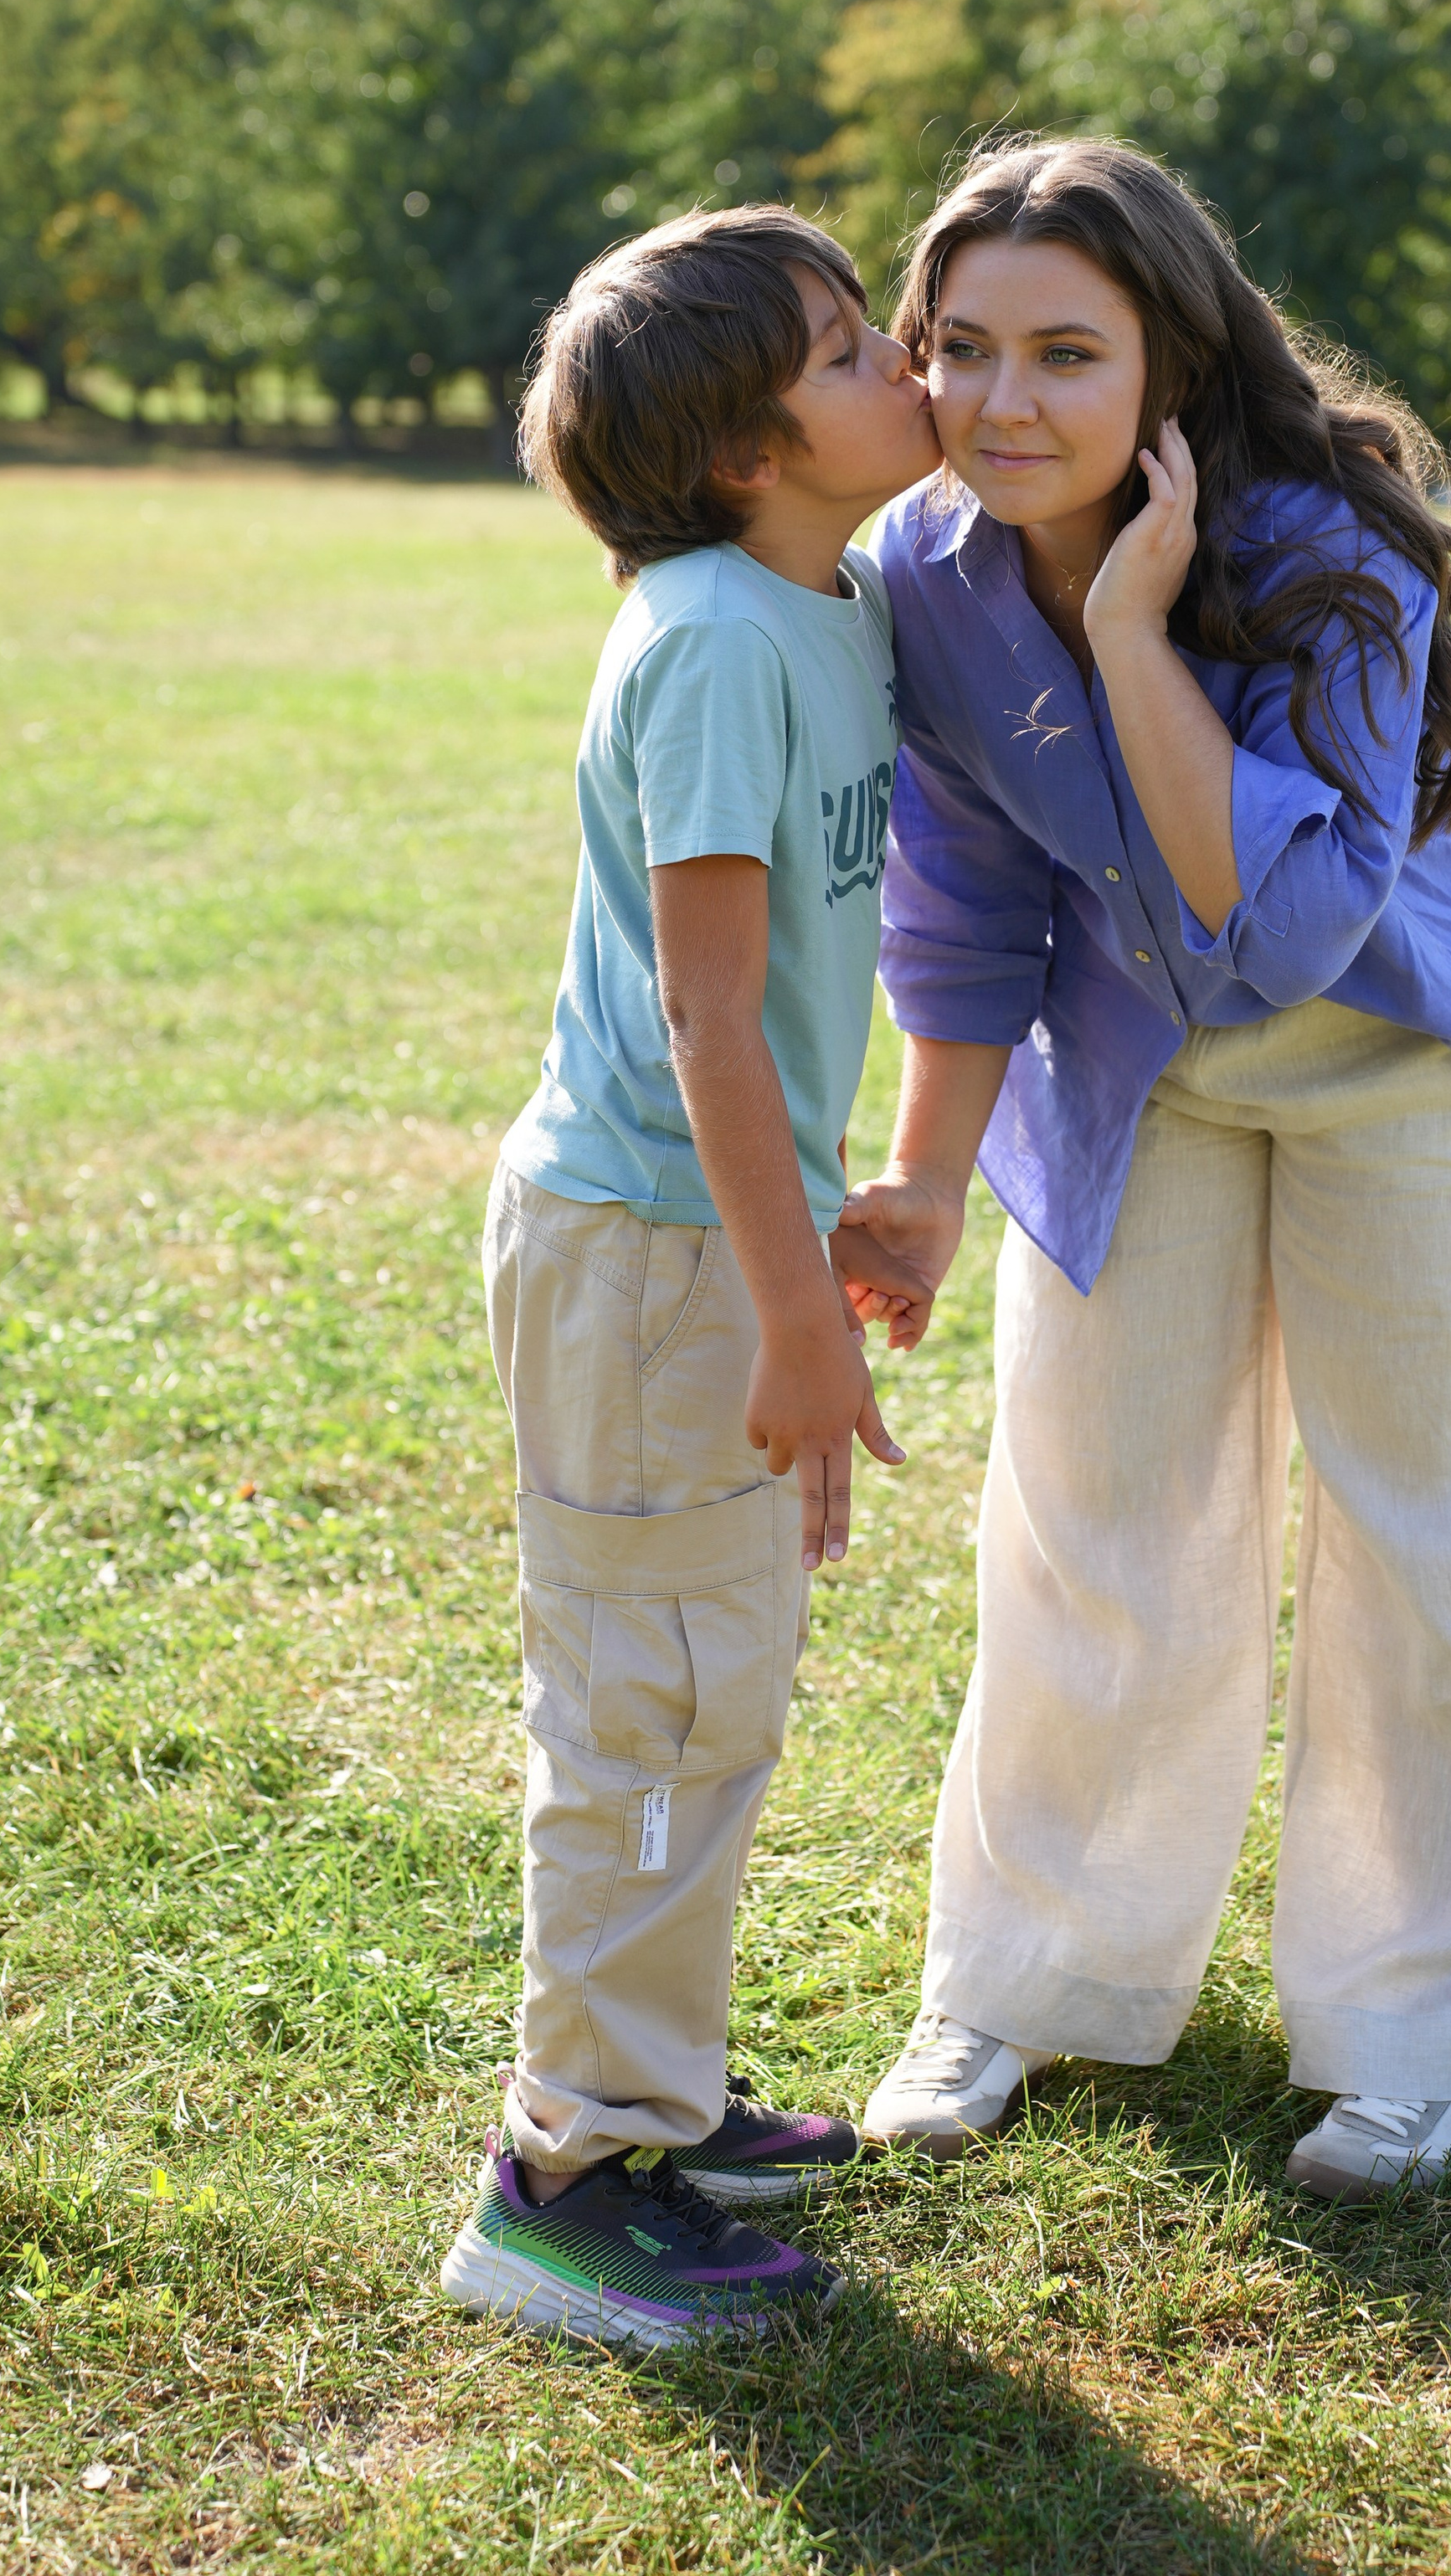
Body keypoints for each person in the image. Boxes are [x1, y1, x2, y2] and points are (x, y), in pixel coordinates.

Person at [844, 140, 1451, 2200]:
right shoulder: (916, 564)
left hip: (1405, 1059)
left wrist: (1130, 630)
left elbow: (1278, 927)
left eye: (1065, 354)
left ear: (1169, 362)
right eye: (961, 347)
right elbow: (966, 903)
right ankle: (1022, 1981)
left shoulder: (1329, 557)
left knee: (1436, 1542)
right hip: (1134, 1067)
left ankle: (1414, 2028)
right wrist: (919, 1177)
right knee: (1090, 1511)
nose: (1001, 404)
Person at [440, 207, 939, 2348]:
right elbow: (709, 1021)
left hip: (697, 1233)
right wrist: (792, 1313)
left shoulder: (807, 603)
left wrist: (813, 1224)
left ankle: (653, 2088)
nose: (901, 357)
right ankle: (563, 2171)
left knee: (703, 1678)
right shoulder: (727, 636)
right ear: (751, 450)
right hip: (654, 1256)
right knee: (650, 1697)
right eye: (849, 349)